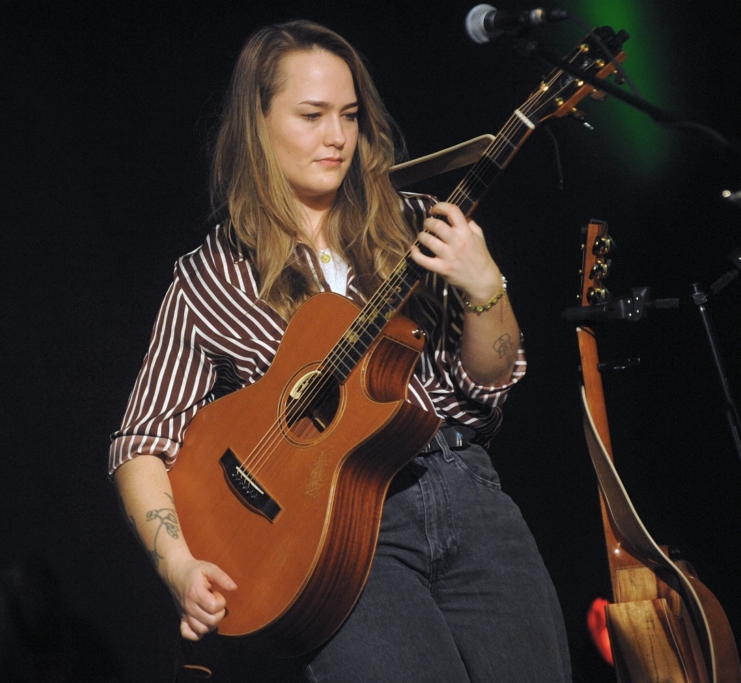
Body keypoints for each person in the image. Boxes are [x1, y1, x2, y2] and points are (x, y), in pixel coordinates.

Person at [109, 19, 571, 683]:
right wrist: (179, 563)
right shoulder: (209, 278)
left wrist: (485, 287)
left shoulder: (415, 221)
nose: (337, 138)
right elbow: (140, 443)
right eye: (312, 115)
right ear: (258, 122)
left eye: (350, 116)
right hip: (340, 540)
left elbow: (492, 378)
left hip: (466, 494)